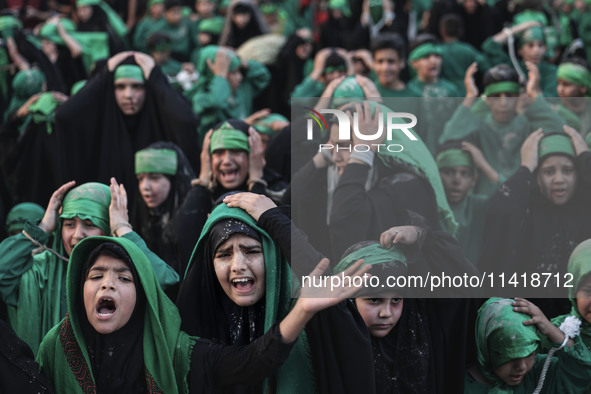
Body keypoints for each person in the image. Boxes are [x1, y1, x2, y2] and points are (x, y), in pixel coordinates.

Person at [37, 235, 370, 393]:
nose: (107, 286)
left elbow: (249, 363)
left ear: (143, 297)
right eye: (96, 277)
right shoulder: (56, 345)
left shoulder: (176, 350)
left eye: (124, 278)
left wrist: (301, 310)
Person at [176, 193, 375, 393]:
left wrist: (274, 219)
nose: (238, 266)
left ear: (272, 256)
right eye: (224, 255)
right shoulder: (193, 329)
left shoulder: (310, 314)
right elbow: (249, 363)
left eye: (252, 251)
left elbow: (322, 288)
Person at [0, 180, 178, 354]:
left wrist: (123, 228)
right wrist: (44, 227)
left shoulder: (125, 269)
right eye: (69, 224)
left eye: (90, 224)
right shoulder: (41, 271)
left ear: (109, 227)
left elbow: (166, 282)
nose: (77, 235)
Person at [334, 222, 480, 393]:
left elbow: (467, 285)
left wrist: (424, 237)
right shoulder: (336, 340)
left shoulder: (420, 327)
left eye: (396, 300)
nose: (386, 313)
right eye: (374, 300)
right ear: (350, 299)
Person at [54, 51, 201, 205]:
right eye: (120, 87)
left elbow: (186, 121)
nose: (128, 95)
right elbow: (65, 116)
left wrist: (155, 77)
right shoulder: (102, 123)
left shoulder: (160, 122)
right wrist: (105, 73)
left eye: (137, 87)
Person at [480, 127, 591, 318]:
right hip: (532, 318)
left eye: (568, 170)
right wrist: (525, 169)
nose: (559, 180)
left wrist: (586, 159)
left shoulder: (585, 208)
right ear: (536, 175)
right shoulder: (527, 209)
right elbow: (497, 211)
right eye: (549, 171)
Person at [440, 62, 565, 196]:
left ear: (518, 97)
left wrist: (534, 95)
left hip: (523, 200)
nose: (503, 103)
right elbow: (447, 138)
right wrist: (470, 96)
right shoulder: (479, 126)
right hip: (486, 202)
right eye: (496, 96)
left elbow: (562, 130)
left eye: (509, 96)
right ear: (486, 100)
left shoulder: (528, 125)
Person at [465, 297, 591, 393]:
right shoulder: (458, 383)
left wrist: (551, 329)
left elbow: (584, 372)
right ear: (486, 348)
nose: (521, 367)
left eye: (529, 354)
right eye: (510, 357)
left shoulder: (539, 372)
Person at [131, 142, 197, 296]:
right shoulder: (139, 219)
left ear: (174, 180)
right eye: (140, 179)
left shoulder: (194, 220)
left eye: (154, 178)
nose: (145, 186)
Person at [186, 45, 270, 144]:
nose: (240, 77)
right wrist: (220, 76)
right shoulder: (200, 97)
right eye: (233, 73)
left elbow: (263, 77)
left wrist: (245, 63)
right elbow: (216, 102)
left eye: (239, 71)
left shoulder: (241, 90)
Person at [194, 118, 287, 202]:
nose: (226, 161)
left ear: (252, 155)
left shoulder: (277, 190)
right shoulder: (207, 193)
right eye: (219, 152)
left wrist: (256, 180)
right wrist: (203, 181)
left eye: (236, 151)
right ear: (209, 158)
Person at [436, 141, 498, 264]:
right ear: (436, 175)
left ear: (474, 180)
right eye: (449, 172)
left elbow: (513, 197)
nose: (456, 180)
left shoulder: (478, 206)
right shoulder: (428, 204)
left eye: (465, 174)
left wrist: (484, 165)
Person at [482, 20, 557, 97]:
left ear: (545, 48)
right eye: (530, 45)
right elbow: (489, 46)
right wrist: (517, 29)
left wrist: (535, 87)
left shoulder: (552, 71)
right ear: (520, 50)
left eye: (540, 45)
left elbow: (551, 101)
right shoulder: (513, 66)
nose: (536, 51)